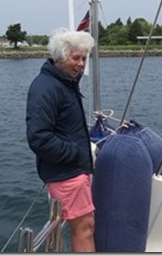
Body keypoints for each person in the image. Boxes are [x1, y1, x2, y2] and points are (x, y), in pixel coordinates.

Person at [25, 27, 96, 252]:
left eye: (84, 58)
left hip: (73, 170)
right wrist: (76, 152)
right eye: (76, 58)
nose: (81, 64)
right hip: (66, 173)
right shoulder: (47, 87)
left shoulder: (63, 84)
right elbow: (39, 138)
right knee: (84, 228)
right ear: (60, 57)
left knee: (85, 226)